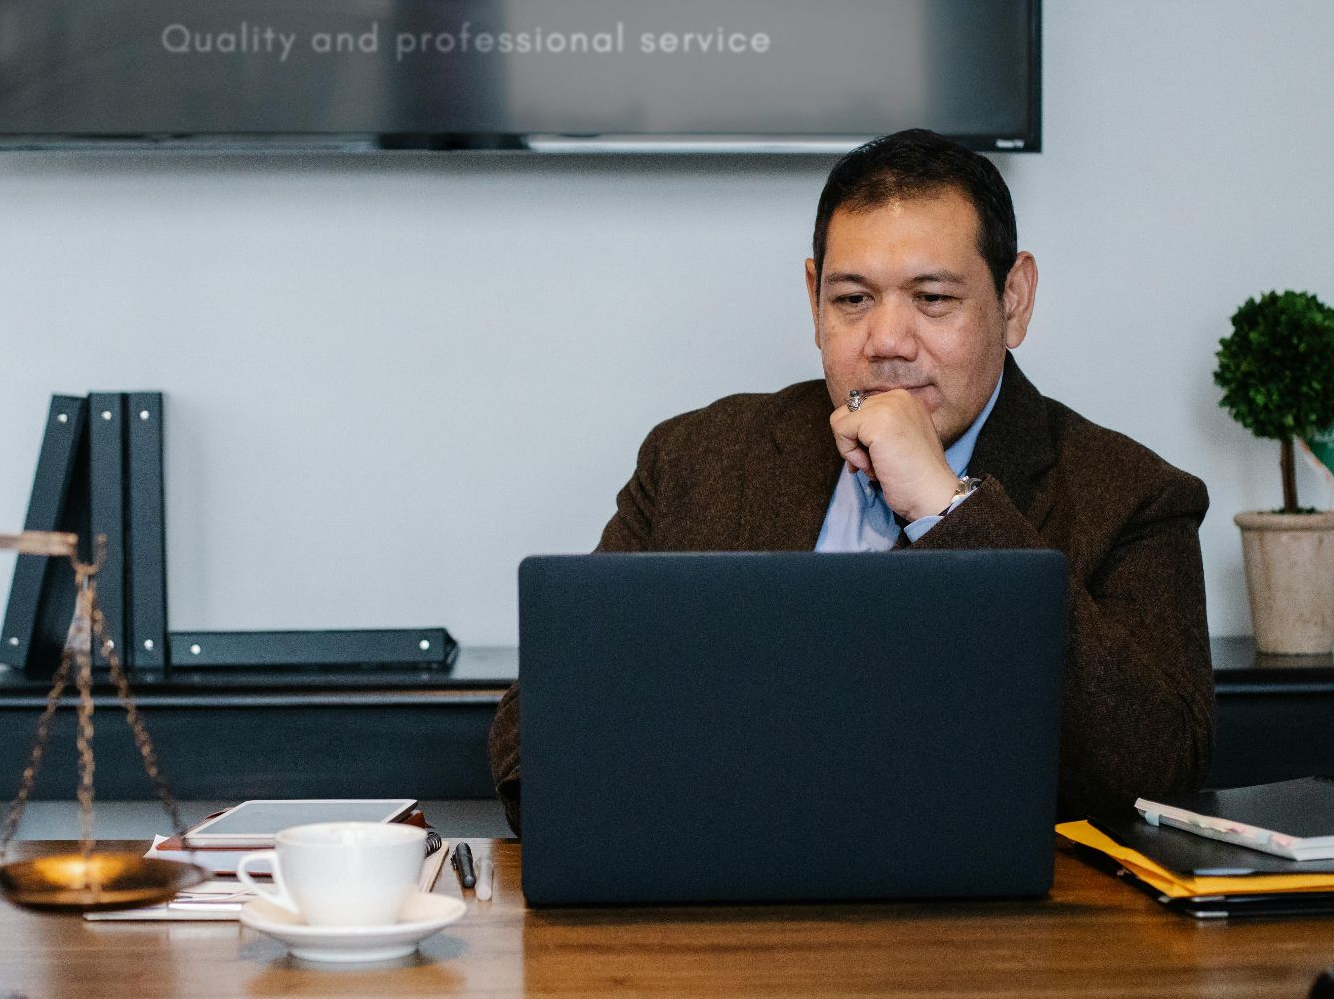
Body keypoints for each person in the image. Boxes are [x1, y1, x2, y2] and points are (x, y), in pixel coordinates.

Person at [489, 129, 1212, 833]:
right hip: (725, 914)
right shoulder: (694, 459)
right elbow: (537, 736)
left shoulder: (1132, 496)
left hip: (992, 937)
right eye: (853, 300)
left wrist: (945, 510)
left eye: (932, 298)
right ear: (814, 298)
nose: (888, 343)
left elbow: (1157, 774)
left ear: (1014, 298)